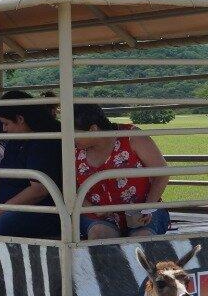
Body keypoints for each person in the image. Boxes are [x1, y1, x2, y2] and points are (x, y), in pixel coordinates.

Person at [0, 91, 62, 239]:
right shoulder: (16, 141)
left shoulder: (44, 142)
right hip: (10, 206)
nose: (4, 129)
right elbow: (4, 175)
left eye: (6, 123)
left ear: (20, 119)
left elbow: (39, 190)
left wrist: (5, 208)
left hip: (39, 211)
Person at [73, 103, 171, 240]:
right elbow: (70, 186)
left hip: (143, 212)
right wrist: (90, 207)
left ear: (93, 129)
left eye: (75, 133)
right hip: (98, 216)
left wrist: (148, 207)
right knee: (99, 236)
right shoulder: (73, 149)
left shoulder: (132, 137)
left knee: (141, 239)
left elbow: (162, 173)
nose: (70, 137)